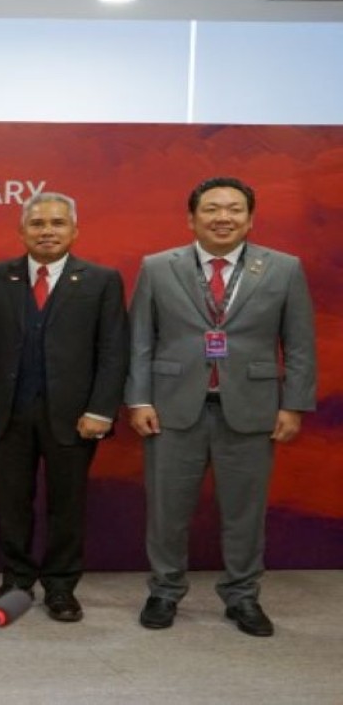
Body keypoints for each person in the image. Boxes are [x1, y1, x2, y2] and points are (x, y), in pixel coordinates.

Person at [126, 176, 316, 638]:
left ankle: (243, 596)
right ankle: (165, 591)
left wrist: (293, 405)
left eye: (234, 209)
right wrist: (138, 398)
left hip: (252, 409)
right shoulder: (157, 267)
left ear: (250, 219)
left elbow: (300, 343)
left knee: (244, 512)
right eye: (211, 209)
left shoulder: (283, 268)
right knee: (167, 511)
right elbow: (140, 341)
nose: (223, 217)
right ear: (192, 218)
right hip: (172, 409)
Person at [0, 192, 128, 622]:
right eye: (37, 224)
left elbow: (113, 351)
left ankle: (60, 586)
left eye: (57, 223)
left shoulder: (101, 280)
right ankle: (16, 581)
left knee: (66, 506)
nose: (47, 231)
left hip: (74, 418)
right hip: (6, 414)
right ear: (21, 231)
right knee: (11, 502)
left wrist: (101, 411)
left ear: (74, 230)